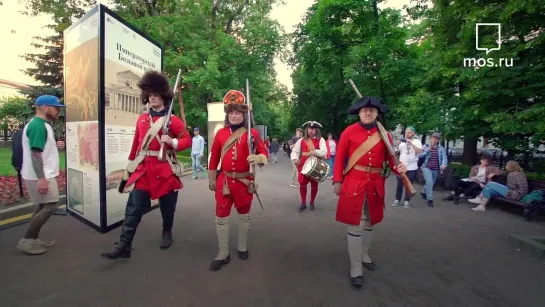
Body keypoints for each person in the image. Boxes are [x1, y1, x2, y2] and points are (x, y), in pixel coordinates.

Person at [101, 71, 192, 259]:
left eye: (155, 95)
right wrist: (131, 164)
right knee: (133, 206)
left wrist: (172, 142)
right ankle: (124, 245)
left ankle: (167, 232)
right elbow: (137, 142)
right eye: (149, 95)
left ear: (163, 97)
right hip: (143, 168)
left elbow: (187, 140)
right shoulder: (142, 119)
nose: (152, 98)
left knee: (167, 206)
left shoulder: (172, 120)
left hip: (163, 168)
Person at [333, 96, 407, 288]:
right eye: (365, 110)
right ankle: (355, 267)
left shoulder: (385, 135)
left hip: (375, 183)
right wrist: (337, 181)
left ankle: (364, 254)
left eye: (372, 110)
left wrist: (400, 167)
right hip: (353, 182)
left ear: (376, 113)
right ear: (359, 112)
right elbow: (339, 158)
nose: (368, 112)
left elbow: (391, 160)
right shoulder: (349, 132)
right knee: (354, 225)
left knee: (370, 221)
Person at [207, 89, 268, 271]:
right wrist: (211, 178)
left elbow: (263, 152)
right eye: (231, 112)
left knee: (243, 215)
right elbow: (214, 157)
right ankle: (223, 253)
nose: (234, 116)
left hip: (244, 182)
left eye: (238, 112)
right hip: (224, 181)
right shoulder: (221, 134)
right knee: (221, 216)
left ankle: (242, 246)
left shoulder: (253, 134)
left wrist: (258, 158)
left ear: (244, 114)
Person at [16, 95, 66, 255]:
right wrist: (42, 179)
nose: (59, 111)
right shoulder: (38, 126)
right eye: (56, 107)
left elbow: (41, 149)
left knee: (42, 206)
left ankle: (34, 238)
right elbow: (35, 154)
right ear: (45, 107)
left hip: (40, 174)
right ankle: (27, 240)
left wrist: (56, 147)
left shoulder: (42, 125)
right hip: (41, 175)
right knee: (51, 206)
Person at [291, 121, 327, 212]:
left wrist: (315, 152)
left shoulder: (321, 139)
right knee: (302, 184)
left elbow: (324, 151)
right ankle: (303, 203)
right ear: (307, 130)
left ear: (316, 130)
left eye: (313, 129)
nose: (311, 130)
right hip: (303, 164)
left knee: (314, 185)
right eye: (309, 129)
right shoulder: (301, 140)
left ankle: (312, 202)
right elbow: (295, 151)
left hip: (316, 165)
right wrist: (295, 159)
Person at [392, 126, 422, 208]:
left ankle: (406, 200)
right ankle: (397, 199)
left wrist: (411, 143)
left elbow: (419, 151)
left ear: (413, 133)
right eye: (406, 132)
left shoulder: (417, 141)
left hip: (412, 168)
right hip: (401, 167)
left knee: (409, 185)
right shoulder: (402, 142)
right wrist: (397, 145)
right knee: (399, 185)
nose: (407, 134)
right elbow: (396, 153)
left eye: (409, 132)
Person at [419, 132, 448, 207]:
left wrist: (444, 164)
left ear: (438, 140)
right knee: (430, 182)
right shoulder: (426, 146)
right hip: (426, 167)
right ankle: (430, 199)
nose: (434, 140)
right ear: (431, 138)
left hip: (435, 169)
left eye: (436, 139)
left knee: (431, 183)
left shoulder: (441, 149)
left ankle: (423, 191)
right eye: (433, 138)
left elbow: (445, 158)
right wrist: (428, 150)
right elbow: (420, 155)